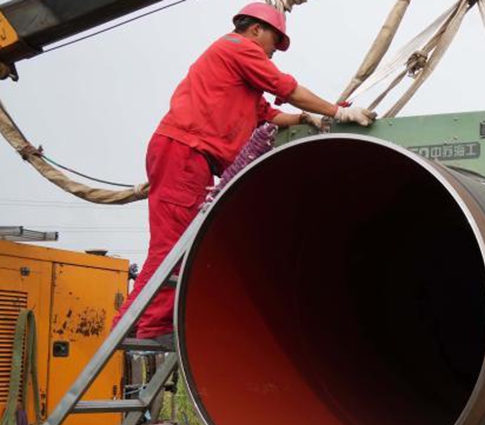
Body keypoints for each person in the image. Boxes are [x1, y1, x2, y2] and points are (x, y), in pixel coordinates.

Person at [114, 3, 377, 344]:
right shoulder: (237, 48)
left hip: (188, 155)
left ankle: (144, 323)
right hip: (185, 152)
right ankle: (143, 325)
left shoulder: (236, 76)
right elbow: (288, 89)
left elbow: (266, 112)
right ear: (254, 30)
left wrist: (304, 118)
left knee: (178, 243)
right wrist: (338, 111)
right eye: (274, 41)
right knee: (171, 246)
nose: (273, 51)